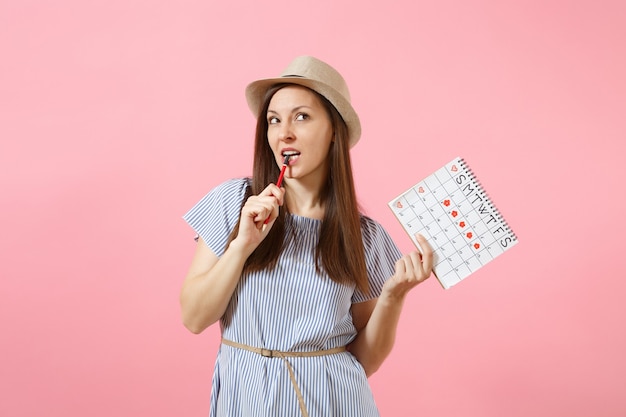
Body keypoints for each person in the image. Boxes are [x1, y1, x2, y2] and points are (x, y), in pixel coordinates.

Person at [180, 55, 433, 417]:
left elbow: (365, 360)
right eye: (273, 120)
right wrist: (242, 246)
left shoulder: (364, 237)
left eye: (302, 116)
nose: (284, 133)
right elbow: (193, 317)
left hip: (334, 402)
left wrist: (393, 296)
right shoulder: (235, 202)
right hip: (246, 399)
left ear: (334, 131)